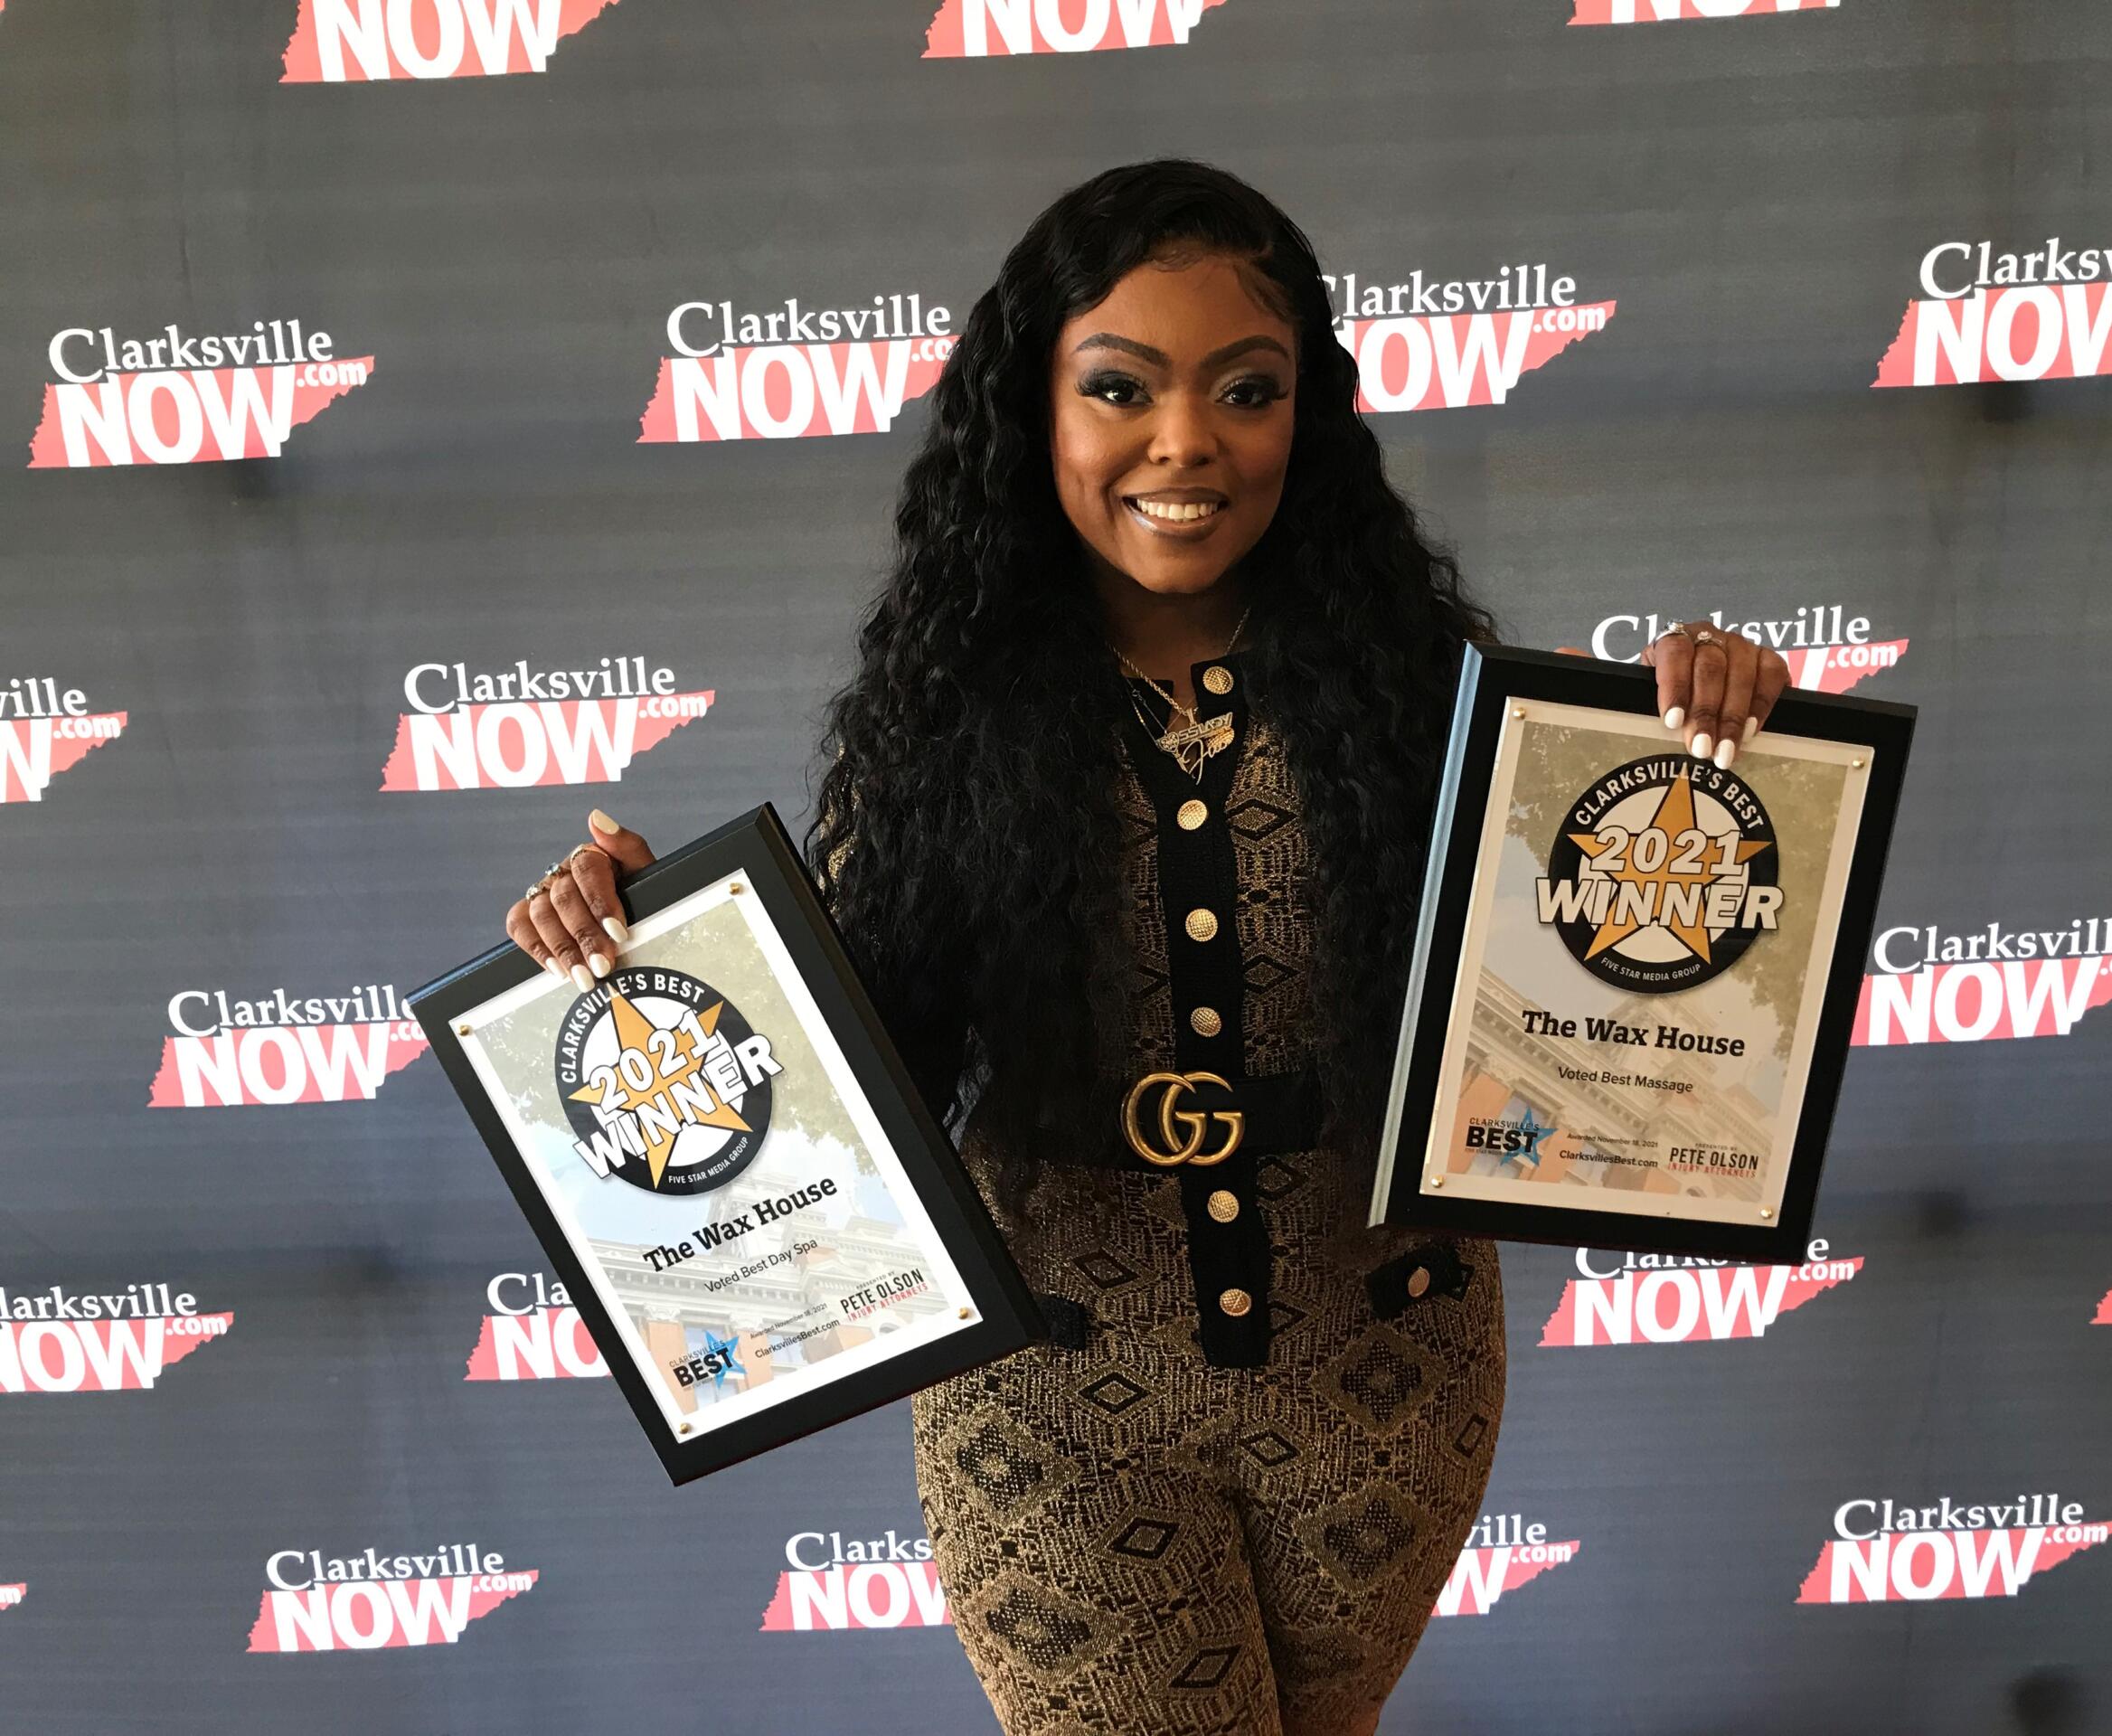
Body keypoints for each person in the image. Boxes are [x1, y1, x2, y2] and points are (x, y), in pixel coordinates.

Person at [504, 159, 1790, 1736]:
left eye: (1246, 391)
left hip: (1387, 1373)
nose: (1186, 443)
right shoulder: (938, 733)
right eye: (1120, 387)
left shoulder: (1436, 709)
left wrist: (1690, 737)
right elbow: (837, 1078)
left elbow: (1617, 976)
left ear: (1306, 417)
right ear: (1033, 410)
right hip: (1050, 1404)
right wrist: (649, 955)